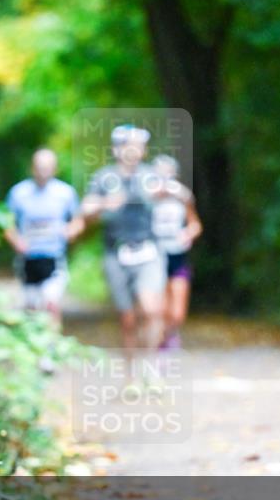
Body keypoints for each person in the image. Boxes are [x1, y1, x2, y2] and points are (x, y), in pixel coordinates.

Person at [81, 125, 165, 353]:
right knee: (127, 318)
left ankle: (151, 365)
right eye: (129, 145)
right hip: (115, 252)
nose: (135, 150)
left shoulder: (150, 176)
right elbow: (86, 209)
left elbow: (173, 193)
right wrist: (104, 204)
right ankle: (131, 374)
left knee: (151, 309)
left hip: (149, 249)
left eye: (139, 146)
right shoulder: (104, 178)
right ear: (117, 149)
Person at [4, 148, 83, 327]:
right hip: (27, 258)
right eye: (39, 167)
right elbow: (5, 222)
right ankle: (34, 347)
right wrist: (16, 241)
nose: (43, 171)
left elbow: (78, 220)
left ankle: (52, 347)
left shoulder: (65, 193)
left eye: (47, 167)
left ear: (55, 169)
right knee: (31, 307)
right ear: (32, 168)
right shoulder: (18, 193)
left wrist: (70, 231)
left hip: (54, 257)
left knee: (51, 303)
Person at [150, 154, 202, 350]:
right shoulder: (147, 197)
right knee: (160, 308)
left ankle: (171, 334)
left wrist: (188, 234)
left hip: (178, 255)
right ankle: (160, 346)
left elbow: (195, 224)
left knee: (177, 312)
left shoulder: (182, 196)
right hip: (155, 257)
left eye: (168, 172)